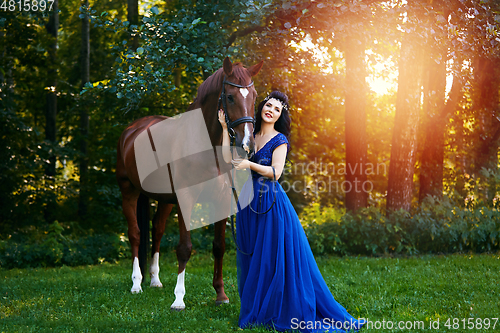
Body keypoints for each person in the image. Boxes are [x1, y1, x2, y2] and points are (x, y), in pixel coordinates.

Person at [218, 91, 365, 333]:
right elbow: (228, 159)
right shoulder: (251, 135)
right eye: (269, 105)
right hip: (248, 203)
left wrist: (249, 164)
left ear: (279, 116)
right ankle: (256, 309)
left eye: (277, 109)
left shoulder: (280, 140)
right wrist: (225, 128)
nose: (271, 110)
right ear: (262, 107)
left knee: (272, 259)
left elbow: (276, 172)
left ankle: (277, 308)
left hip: (270, 203)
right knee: (253, 258)